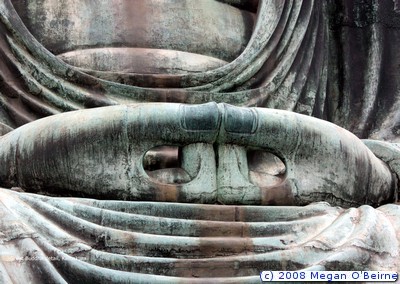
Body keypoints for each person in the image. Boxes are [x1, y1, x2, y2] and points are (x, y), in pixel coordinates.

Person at [0, 0, 399, 282]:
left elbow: (387, 133)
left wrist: (366, 168)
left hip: (310, 212)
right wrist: (22, 159)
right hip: (37, 206)